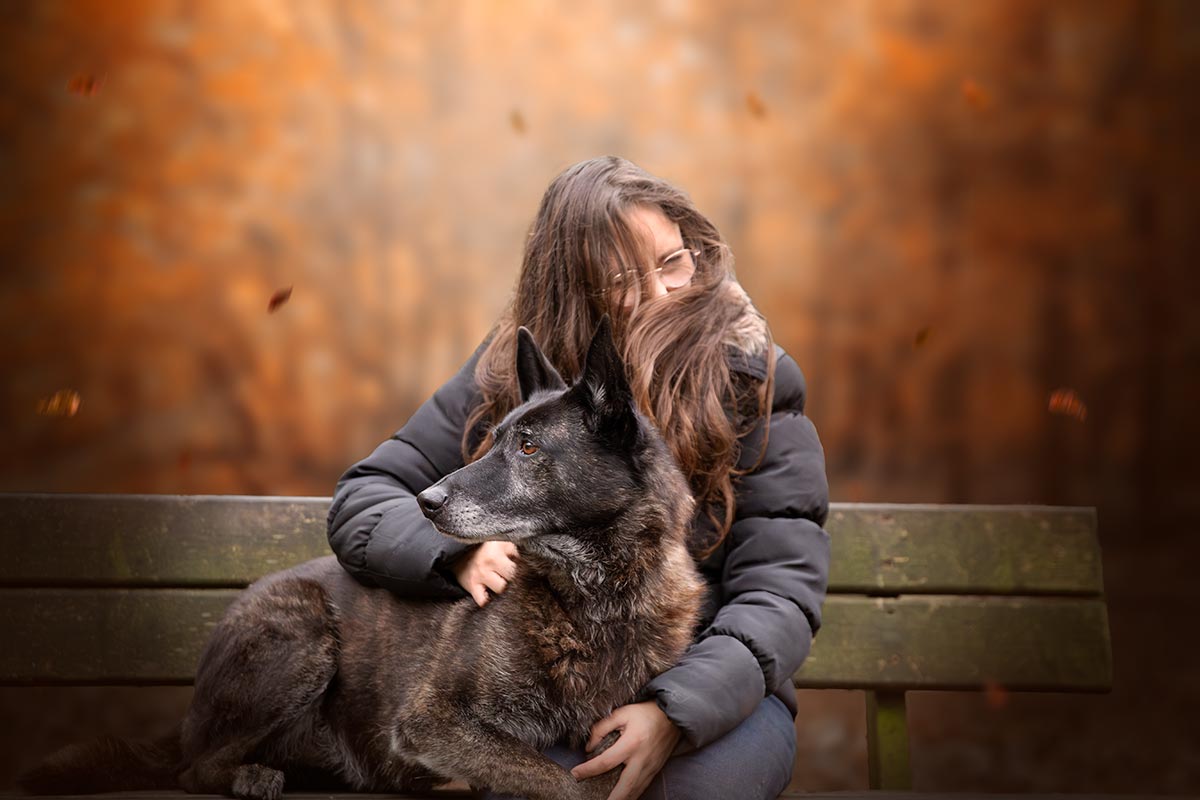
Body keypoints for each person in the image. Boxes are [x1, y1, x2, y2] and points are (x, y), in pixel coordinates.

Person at [326, 156, 831, 800]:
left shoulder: (750, 380)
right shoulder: (510, 374)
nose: (663, 294)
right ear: (575, 290)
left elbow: (779, 592)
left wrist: (673, 711)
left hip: (712, 690)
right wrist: (453, 551)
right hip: (548, 691)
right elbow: (367, 496)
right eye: (625, 278)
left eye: (673, 261)